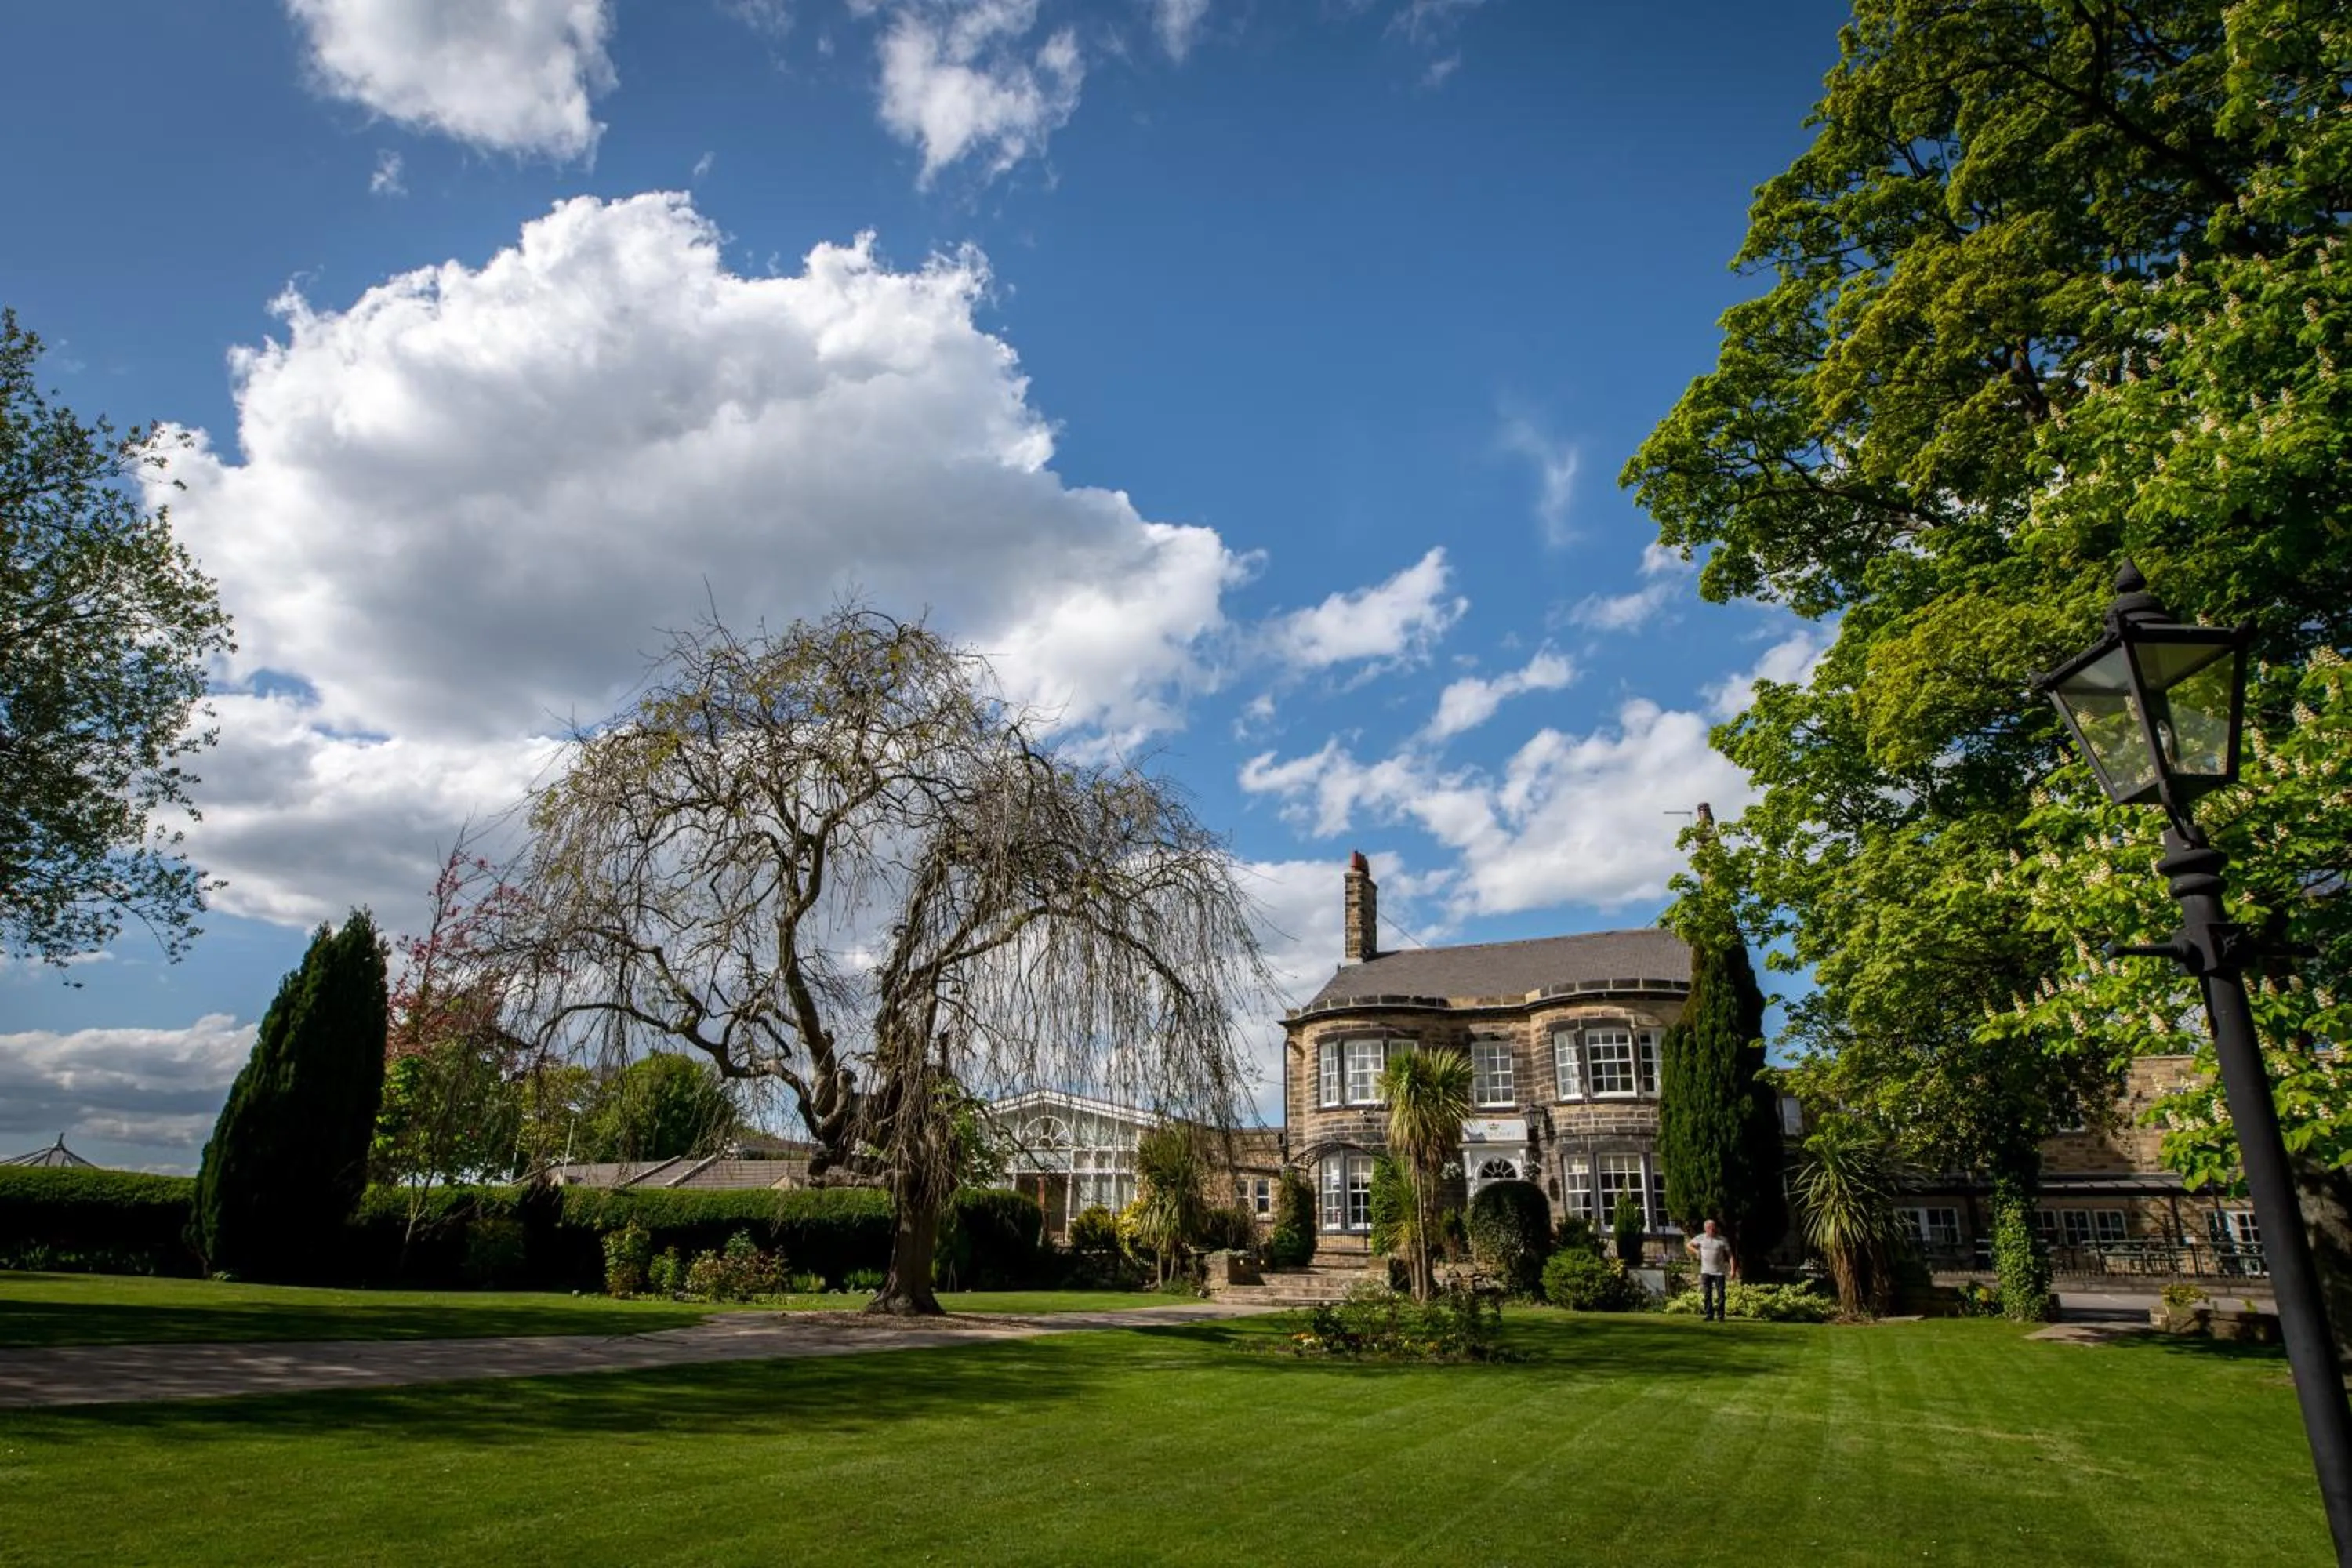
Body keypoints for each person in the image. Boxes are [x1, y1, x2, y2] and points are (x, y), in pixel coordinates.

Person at [1686, 1218, 1733, 1321]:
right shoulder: (1700, 1238)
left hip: (1719, 1272)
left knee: (1721, 1294)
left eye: (1713, 1227)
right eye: (1709, 1227)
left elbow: (1730, 1255)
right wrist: (1696, 1252)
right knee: (1707, 1295)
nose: (1712, 1229)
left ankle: (1720, 1316)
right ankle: (1709, 1315)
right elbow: (1689, 1245)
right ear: (1705, 1229)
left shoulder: (1722, 1240)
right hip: (1706, 1271)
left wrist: (1732, 1270)